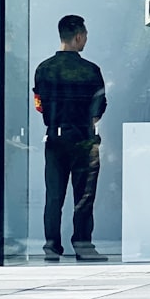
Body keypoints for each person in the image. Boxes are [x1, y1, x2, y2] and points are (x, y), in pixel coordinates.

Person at [33, 15, 107, 262]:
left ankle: (51, 245)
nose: (86, 40)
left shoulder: (43, 69)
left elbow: (39, 104)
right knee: (83, 195)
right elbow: (98, 108)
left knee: (53, 195)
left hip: (54, 137)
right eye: (85, 36)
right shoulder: (91, 70)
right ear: (77, 37)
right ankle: (83, 244)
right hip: (83, 139)